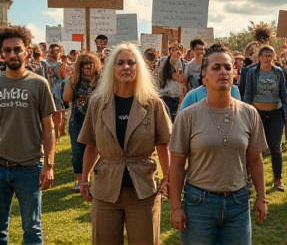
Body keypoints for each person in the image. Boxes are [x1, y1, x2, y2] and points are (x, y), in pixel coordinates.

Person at [169, 43, 267, 245]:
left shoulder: (249, 113)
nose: (223, 72)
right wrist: (176, 207)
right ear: (204, 75)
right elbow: (177, 164)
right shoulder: (188, 116)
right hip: (199, 204)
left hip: (238, 202)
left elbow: (255, 159)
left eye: (227, 67)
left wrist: (261, 197)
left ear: (234, 73)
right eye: (216, 68)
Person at [78, 43, 172, 245]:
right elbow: (91, 145)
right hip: (106, 188)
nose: (126, 67)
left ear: (139, 68)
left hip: (143, 188)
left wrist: (168, 178)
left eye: (132, 62)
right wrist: (84, 179)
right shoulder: (97, 103)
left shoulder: (153, 103)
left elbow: (163, 145)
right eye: (120, 63)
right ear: (112, 68)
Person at [0, 26, 56, 245]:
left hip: (29, 168)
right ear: (2, 54)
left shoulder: (38, 84)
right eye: (7, 50)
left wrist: (49, 165)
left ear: (26, 51)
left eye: (17, 49)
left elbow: (49, 128)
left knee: (32, 230)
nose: (13, 54)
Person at [244, 45, 287, 191]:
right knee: (254, 148)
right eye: (265, 55)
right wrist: (246, 111)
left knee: (275, 147)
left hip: (275, 113)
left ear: (274, 57)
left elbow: (283, 92)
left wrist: (286, 113)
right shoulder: (252, 72)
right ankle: (249, 179)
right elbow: (248, 92)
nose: (268, 58)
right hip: (257, 113)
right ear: (260, 57)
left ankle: (277, 179)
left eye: (270, 55)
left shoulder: (278, 72)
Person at [62, 53, 102, 191]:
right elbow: (66, 98)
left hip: (98, 119)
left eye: (90, 65)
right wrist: (71, 82)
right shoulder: (74, 80)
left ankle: (96, 179)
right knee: (78, 151)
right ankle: (81, 181)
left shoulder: (101, 79)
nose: (87, 68)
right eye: (84, 66)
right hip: (78, 119)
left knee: (99, 149)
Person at [155, 42, 186, 122]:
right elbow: (157, 76)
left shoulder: (182, 64)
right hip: (163, 94)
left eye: (180, 50)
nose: (178, 51)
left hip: (174, 96)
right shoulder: (163, 61)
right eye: (176, 49)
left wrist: (181, 96)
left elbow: (181, 82)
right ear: (171, 51)